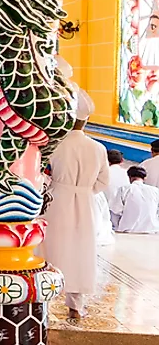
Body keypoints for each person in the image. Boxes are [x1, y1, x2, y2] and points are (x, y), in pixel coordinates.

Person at [37, 91, 108, 320]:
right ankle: (76, 306)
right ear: (86, 121)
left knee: (51, 249)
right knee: (81, 250)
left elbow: (41, 173)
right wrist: (84, 191)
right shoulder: (98, 148)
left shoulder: (54, 144)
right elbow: (103, 181)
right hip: (86, 204)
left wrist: (56, 186)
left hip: (57, 200)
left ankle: (43, 302)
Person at [109, 165, 159, 233]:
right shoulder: (155, 191)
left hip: (128, 231)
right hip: (152, 230)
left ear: (129, 177)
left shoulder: (124, 189)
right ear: (144, 178)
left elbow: (116, 210)